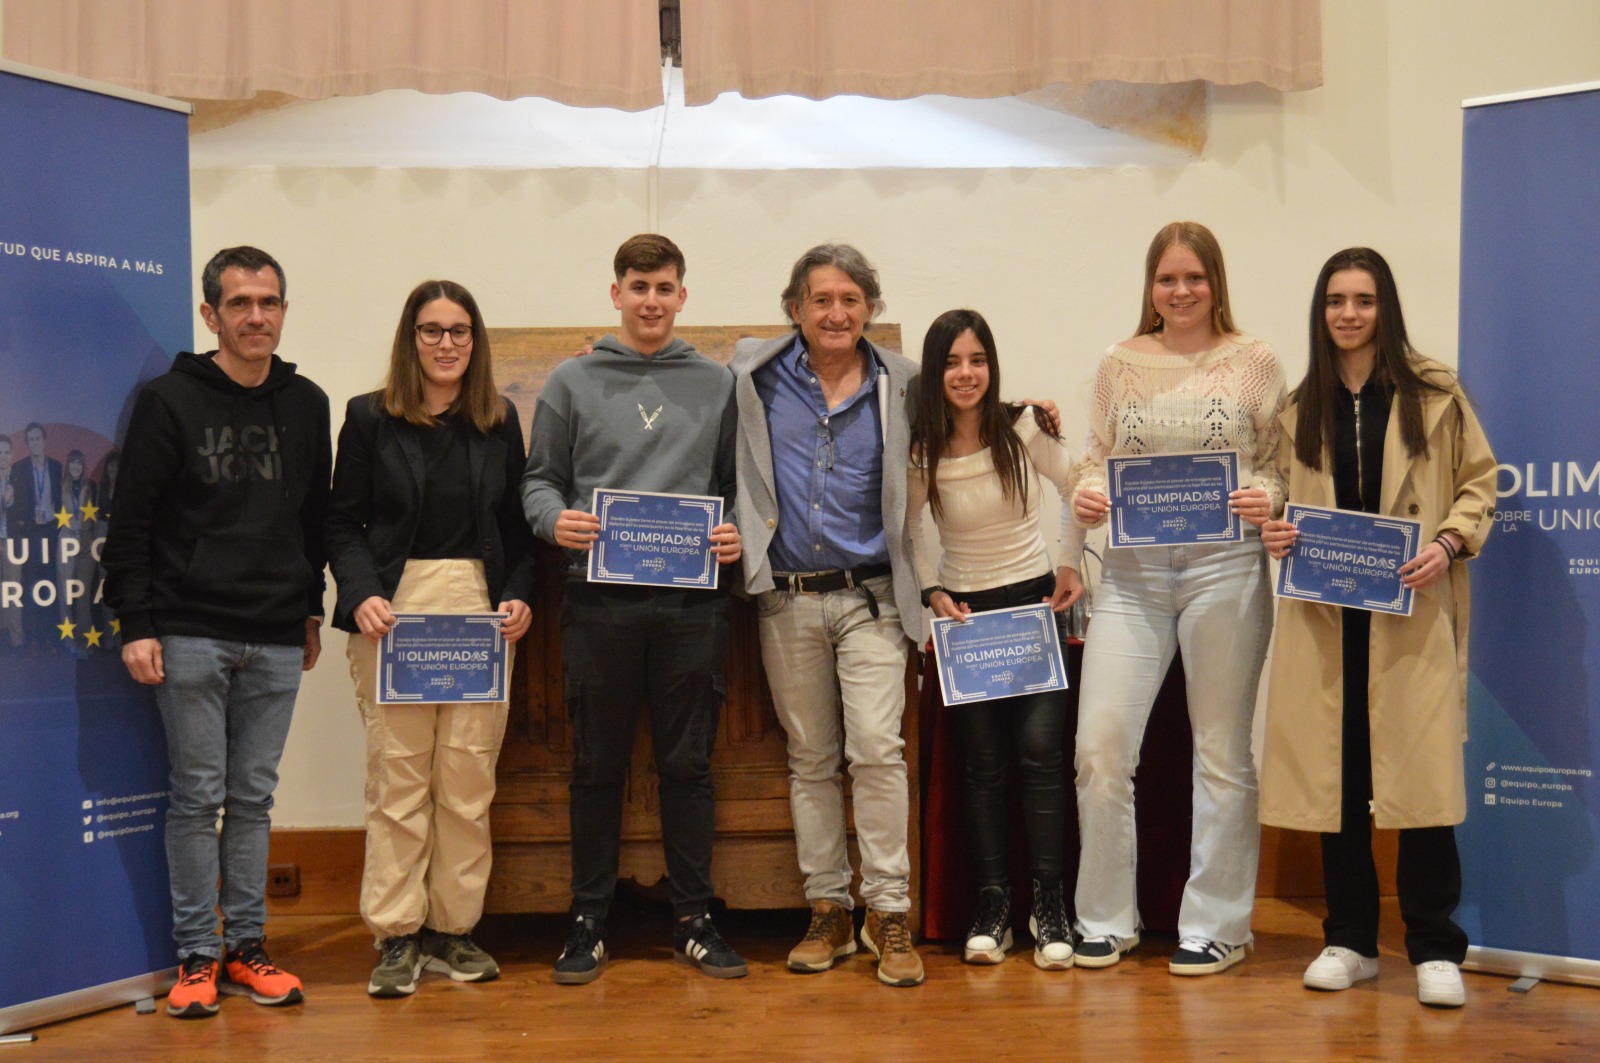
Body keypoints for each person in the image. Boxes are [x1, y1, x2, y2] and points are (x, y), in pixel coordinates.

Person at [1259, 248, 1497, 1008]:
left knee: (1420, 780)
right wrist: (1274, 529)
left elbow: (1478, 484)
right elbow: (1275, 495)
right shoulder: (1300, 407)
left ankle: (1433, 945)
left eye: (1363, 299)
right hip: (1329, 619)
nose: (1349, 313)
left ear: (1385, 308)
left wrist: (1447, 542)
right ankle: (1350, 939)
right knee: (1338, 778)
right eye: (1336, 300)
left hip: (1411, 611)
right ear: (1320, 311)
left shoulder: (1434, 392)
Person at [101, 245, 331, 1018]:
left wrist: (309, 608)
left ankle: (247, 951)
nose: (256, 316)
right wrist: (137, 622)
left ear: (284, 310)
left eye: (269, 302)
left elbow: (314, 518)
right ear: (211, 315)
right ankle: (196, 956)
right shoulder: (170, 400)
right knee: (198, 798)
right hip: (189, 628)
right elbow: (130, 520)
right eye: (239, 304)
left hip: (274, 632)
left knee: (254, 798)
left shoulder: (307, 403)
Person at [521, 234, 747, 985]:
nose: (651, 299)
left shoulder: (718, 384)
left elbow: (737, 487)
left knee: (688, 764)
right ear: (615, 293)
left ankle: (693, 916)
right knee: (597, 764)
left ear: (684, 296)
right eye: (638, 286)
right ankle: (587, 919)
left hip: (692, 607)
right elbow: (539, 482)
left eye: (665, 287)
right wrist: (556, 521)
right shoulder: (571, 381)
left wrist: (732, 530)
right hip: (598, 601)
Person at [1069, 221, 1285, 975]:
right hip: (1130, 574)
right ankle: (1104, 918)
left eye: (1194, 277)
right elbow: (1095, 461)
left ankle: (1218, 925)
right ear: (1150, 286)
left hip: (1225, 567)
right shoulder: (1117, 361)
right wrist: (1090, 495)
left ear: (1216, 281)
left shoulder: (1254, 361)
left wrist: (1265, 494)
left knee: (1221, 750)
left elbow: (1279, 462)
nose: (1182, 291)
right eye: (1168, 278)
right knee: (1099, 747)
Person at [326, 280, 537, 998]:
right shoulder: (367, 418)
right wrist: (361, 595)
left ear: (475, 341)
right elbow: (339, 523)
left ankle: (454, 928)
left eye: (459, 330)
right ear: (409, 337)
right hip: (395, 612)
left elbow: (517, 529)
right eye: (431, 329)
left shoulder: (498, 420)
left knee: (467, 781)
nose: (446, 342)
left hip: (477, 612)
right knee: (399, 780)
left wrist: (518, 596)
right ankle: (396, 933)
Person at [732, 243, 927, 986]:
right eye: (821, 300)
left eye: (851, 299)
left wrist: (1036, 418)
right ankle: (829, 910)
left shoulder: (904, 380)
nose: (836, 312)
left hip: (875, 595)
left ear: (870, 307)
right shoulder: (751, 374)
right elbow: (674, 376)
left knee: (877, 750)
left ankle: (889, 911)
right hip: (787, 596)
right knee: (810, 758)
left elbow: (975, 412)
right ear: (795, 309)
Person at [906, 308, 1084, 969]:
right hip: (968, 620)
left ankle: (1051, 903)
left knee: (1041, 756)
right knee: (982, 767)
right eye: (951, 361)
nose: (965, 373)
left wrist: (1071, 561)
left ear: (992, 365)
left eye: (976, 359)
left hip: (1033, 606)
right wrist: (930, 589)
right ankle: (993, 903)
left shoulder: (1022, 428)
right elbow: (904, 534)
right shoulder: (921, 446)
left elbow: (1082, 488)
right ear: (935, 371)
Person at [10, 422, 62, 653]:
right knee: (30, 586)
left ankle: (51, 637)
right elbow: (15, 503)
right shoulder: (19, 468)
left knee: (51, 584)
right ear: (27, 444)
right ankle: (32, 639)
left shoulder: (56, 467)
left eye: (38, 439)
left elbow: (62, 500)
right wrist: (24, 520)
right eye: (30, 440)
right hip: (30, 533)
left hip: (51, 532)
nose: (35, 443)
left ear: (45, 441)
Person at [56, 449, 99, 645]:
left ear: (83, 466)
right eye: (72, 462)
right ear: (68, 465)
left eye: (79, 463)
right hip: (65, 538)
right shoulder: (60, 486)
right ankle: (68, 641)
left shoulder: (92, 487)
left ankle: (83, 642)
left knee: (82, 595)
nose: (75, 467)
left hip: (86, 540)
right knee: (65, 592)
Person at [0, 435, 22, 654]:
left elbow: (23, 512)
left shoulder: (19, 477)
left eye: (6, 452)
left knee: (13, 591)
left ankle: (17, 641)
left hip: (12, 541)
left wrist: (12, 501)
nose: (2, 457)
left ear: (12, 455)